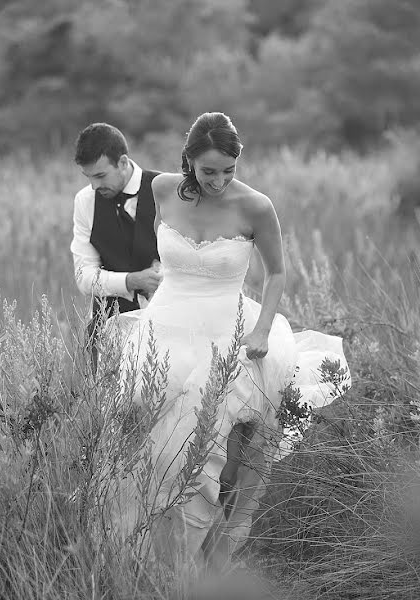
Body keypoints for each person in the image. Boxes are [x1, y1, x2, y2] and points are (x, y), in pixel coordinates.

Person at [105, 112, 352, 571]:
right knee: (150, 443)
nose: (219, 181)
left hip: (227, 331)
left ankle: (204, 561)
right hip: (164, 329)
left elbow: (277, 272)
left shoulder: (255, 206)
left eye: (228, 170)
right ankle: (147, 555)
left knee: (210, 448)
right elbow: (159, 251)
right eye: (208, 171)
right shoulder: (161, 190)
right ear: (189, 162)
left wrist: (261, 331)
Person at [70, 123, 163, 361]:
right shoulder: (85, 202)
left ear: (123, 162)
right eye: (88, 177)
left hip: (168, 322)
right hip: (109, 329)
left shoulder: (165, 189)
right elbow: (84, 277)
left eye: (100, 176)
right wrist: (131, 281)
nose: (94, 186)